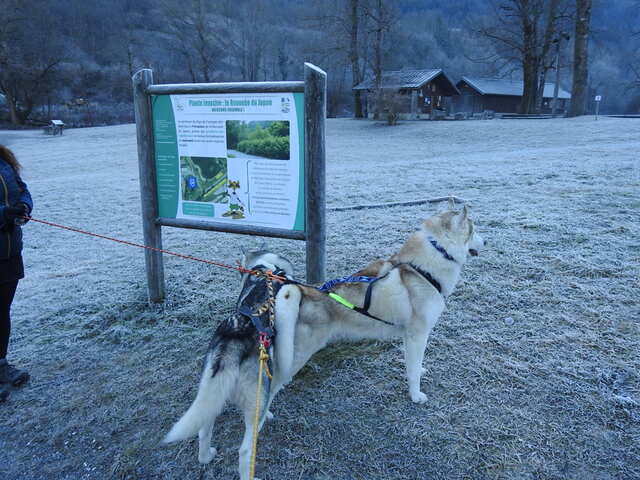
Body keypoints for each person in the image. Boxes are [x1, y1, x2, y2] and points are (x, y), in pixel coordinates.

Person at [0, 145, 32, 402]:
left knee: (2, 310)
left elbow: (21, 188)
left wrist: (23, 205)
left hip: (9, 250)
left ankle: (1, 363)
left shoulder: (4, 159)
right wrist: (2, 213)